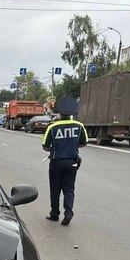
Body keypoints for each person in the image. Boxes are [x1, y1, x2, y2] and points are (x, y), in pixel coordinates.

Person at [41, 96, 87, 225]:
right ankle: (68, 213)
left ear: (60, 112)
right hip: (72, 162)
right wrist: (71, 146)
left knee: (55, 189)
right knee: (69, 189)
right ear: (73, 112)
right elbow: (84, 143)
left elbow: (45, 147)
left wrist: (57, 148)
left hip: (56, 162)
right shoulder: (79, 126)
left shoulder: (52, 127)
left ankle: (54, 214)